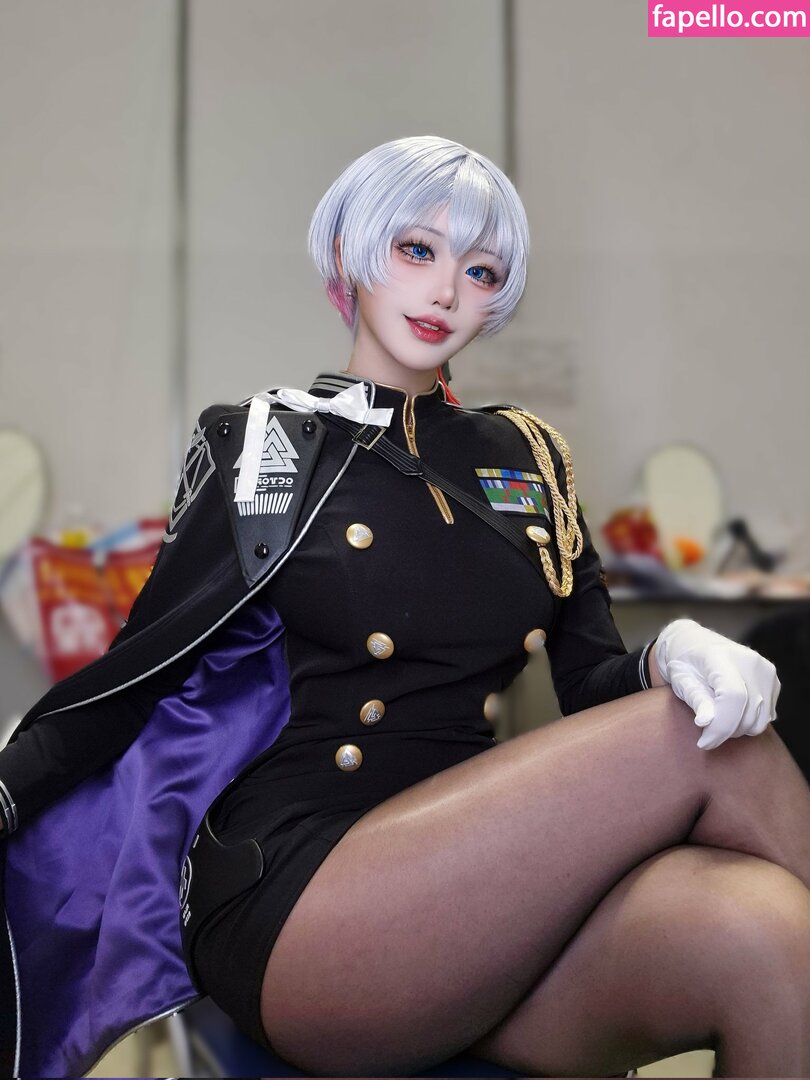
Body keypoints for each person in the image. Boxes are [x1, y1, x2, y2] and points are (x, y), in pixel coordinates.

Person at [1, 135, 809, 1080]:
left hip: (493, 892)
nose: (446, 292)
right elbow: (135, 677)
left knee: (770, 935)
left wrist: (667, 655)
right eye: (416, 250)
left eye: (481, 271)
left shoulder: (527, 456)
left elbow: (591, 682)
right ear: (352, 250)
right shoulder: (268, 444)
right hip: (303, 895)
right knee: (703, 740)